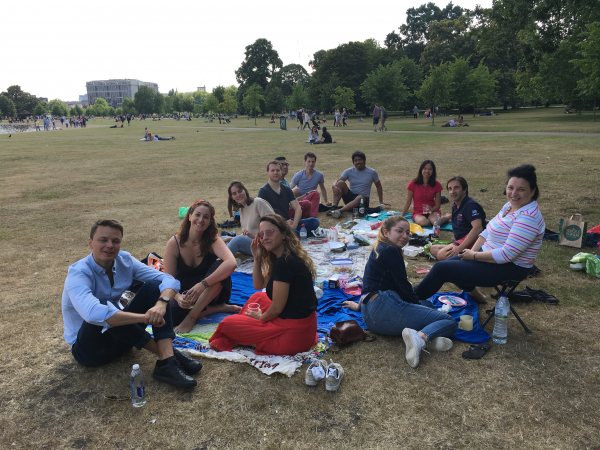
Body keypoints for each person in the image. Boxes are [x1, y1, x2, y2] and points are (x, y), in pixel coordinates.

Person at [61, 219, 200, 388]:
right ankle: (170, 356)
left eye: (115, 241)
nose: (110, 245)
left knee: (154, 287)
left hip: (123, 343)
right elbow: (93, 314)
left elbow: (167, 279)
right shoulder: (78, 273)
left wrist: (161, 305)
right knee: (105, 311)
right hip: (90, 352)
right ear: (90, 243)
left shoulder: (124, 260)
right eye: (103, 240)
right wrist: (144, 318)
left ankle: (167, 363)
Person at [415, 164, 545, 304]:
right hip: (488, 255)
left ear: (532, 191)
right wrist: (471, 252)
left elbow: (507, 255)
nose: (513, 194)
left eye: (521, 189)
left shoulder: (528, 217)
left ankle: (409, 299)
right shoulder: (509, 206)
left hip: (508, 268)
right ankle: (474, 296)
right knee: (449, 264)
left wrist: (474, 256)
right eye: (510, 188)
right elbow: (486, 231)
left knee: (442, 269)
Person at [342, 216, 457, 368]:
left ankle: (430, 339)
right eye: (400, 231)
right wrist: (417, 307)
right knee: (448, 321)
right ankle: (420, 338)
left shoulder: (378, 248)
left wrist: (358, 306)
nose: (405, 236)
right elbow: (404, 288)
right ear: (386, 232)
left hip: (370, 318)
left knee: (428, 306)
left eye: (408, 233)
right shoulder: (390, 250)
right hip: (384, 310)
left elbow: (368, 283)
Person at [209, 215, 318, 355]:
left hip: (293, 334)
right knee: (258, 297)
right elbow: (258, 284)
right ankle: (250, 331)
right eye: (261, 234)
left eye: (270, 232)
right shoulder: (283, 256)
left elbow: (277, 308)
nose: (265, 237)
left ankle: (250, 336)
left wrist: (261, 317)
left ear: (284, 234)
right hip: (305, 325)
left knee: (227, 325)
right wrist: (257, 258)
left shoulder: (284, 263)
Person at [163, 200, 238, 333]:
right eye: (197, 215)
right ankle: (218, 308)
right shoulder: (174, 242)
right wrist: (178, 297)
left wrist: (203, 284)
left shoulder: (213, 240)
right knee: (168, 316)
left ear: (210, 222)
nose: (201, 220)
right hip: (187, 291)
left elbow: (231, 263)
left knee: (221, 265)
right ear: (190, 216)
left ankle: (192, 317)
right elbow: (168, 278)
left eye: (206, 217)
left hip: (212, 290)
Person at [430, 177, 486, 261]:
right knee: (433, 249)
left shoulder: (470, 205)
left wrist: (460, 247)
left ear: (464, 190)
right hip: (461, 241)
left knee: (441, 255)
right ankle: (463, 255)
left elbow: (478, 228)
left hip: (474, 241)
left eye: (456, 187)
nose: (453, 191)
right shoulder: (455, 204)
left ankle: (472, 255)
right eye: (450, 189)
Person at [257, 160, 319, 236]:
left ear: (281, 172)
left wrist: (294, 226)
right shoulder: (263, 191)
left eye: (278, 170)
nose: (275, 172)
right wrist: (284, 223)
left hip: (289, 222)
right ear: (267, 173)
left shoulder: (286, 189)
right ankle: (298, 235)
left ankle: (293, 234)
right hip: (273, 225)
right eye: (272, 170)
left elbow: (298, 208)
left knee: (314, 222)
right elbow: (264, 217)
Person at [328, 151, 391, 218]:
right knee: (340, 183)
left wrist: (381, 201)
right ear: (353, 162)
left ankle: (340, 211)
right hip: (351, 198)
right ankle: (334, 207)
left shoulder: (372, 172)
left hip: (363, 200)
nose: (358, 162)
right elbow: (337, 181)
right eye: (355, 160)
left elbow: (378, 186)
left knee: (360, 197)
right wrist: (333, 186)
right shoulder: (349, 171)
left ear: (364, 161)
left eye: (360, 160)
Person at [223, 181, 275, 256]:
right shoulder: (242, 209)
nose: (238, 195)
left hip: (264, 246)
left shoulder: (258, 203)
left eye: (240, 191)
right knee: (223, 238)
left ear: (245, 191)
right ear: (232, 197)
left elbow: (274, 228)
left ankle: (220, 260)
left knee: (237, 240)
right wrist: (229, 239)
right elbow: (245, 234)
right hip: (251, 243)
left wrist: (254, 236)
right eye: (234, 194)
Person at [401, 160, 450, 227]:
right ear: (421, 169)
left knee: (435, 222)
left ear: (433, 171)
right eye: (425, 168)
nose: (427, 171)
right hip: (418, 212)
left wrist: (431, 209)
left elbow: (437, 205)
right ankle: (438, 221)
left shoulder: (437, 184)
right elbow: (408, 202)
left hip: (432, 211)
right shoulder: (413, 184)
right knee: (424, 223)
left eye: (430, 169)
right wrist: (401, 216)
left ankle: (447, 217)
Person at [289, 152, 331, 217]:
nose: (311, 164)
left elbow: (322, 188)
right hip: (301, 199)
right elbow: (289, 188)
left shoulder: (319, 175)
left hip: (312, 198)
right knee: (296, 190)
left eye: (313, 162)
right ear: (304, 162)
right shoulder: (298, 175)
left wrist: (326, 201)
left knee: (315, 193)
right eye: (309, 161)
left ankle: (312, 216)